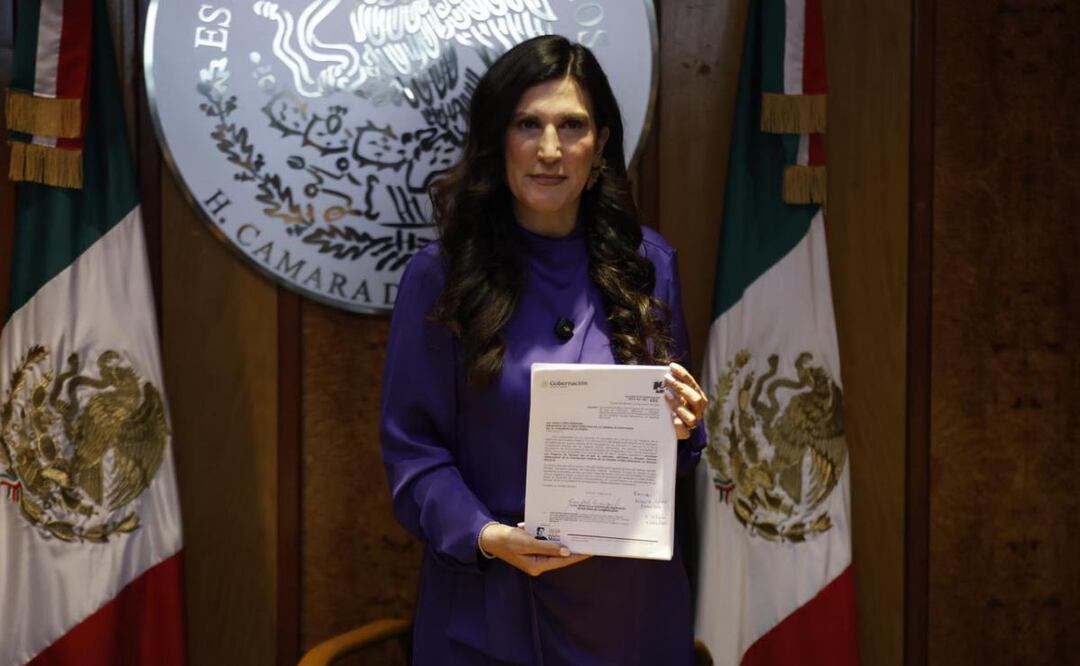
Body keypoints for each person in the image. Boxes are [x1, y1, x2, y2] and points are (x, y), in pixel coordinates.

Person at [380, 35, 709, 665]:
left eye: (572, 125)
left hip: (628, 617)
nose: (550, 150)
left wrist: (685, 425)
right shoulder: (440, 277)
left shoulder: (649, 266)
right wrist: (486, 534)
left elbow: (671, 451)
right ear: (496, 140)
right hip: (487, 605)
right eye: (527, 124)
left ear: (602, 145)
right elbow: (412, 452)